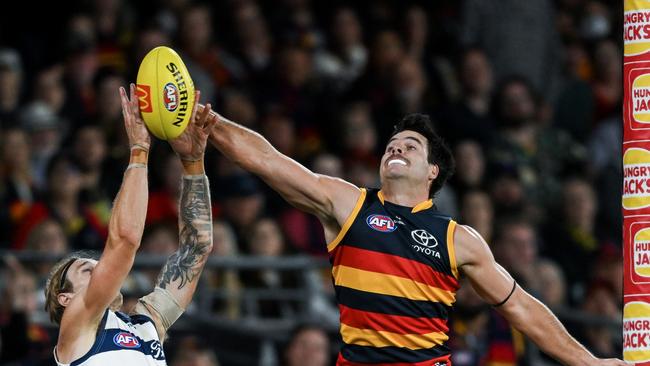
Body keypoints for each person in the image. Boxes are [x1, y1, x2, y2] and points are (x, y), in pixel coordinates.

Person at [204, 109, 625, 365]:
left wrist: (588, 362)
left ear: (432, 172)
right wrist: (210, 123)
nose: (396, 149)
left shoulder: (458, 238)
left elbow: (521, 309)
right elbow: (268, 160)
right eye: (392, 144)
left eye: (410, 146)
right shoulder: (349, 204)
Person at [43, 84, 215, 365]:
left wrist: (193, 161)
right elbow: (124, 242)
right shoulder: (76, 325)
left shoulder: (147, 326)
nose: (100, 268)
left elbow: (196, 249)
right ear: (65, 299)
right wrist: (139, 149)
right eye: (87, 269)